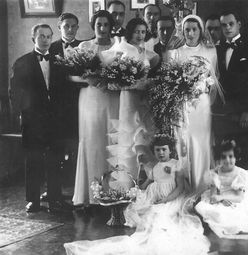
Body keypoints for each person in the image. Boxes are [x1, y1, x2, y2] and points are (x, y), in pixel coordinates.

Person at [64, 134, 210, 255]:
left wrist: (166, 199)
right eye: (157, 150)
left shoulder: (176, 164)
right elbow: (146, 184)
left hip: (171, 197)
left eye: (164, 150)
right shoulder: (155, 167)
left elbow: (180, 188)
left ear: (170, 150)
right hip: (155, 195)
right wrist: (137, 187)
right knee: (138, 208)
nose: (161, 153)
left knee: (161, 216)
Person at [9, 24, 69, 213]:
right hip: (33, 120)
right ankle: (33, 200)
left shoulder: (60, 61)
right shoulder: (22, 62)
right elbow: (15, 93)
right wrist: (21, 115)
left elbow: (64, 92)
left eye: (48, 36)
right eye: (41, 36)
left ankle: (55, 199)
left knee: (55, 159)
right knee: (33, 160)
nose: (45, 40)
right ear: (33, 38)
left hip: (55, 120)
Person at [72, 10, 120, 208]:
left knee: (111, 141)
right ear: (94, 26)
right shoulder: (84, 46)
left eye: (106, 25)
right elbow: (72, 75)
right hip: (91, 98)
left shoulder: (119, 47)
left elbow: (125, 73)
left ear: (111, 26)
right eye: (98, 24)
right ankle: (91, 195)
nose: (102, 28)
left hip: (112, 98)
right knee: (92, 142)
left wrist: (112, 80)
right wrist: (91, 79)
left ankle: (112, 192)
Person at [168, 14, 220, 192]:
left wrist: (204, 88)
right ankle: (185, 186)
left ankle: (202, 184)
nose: (190, 33)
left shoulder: (210, 51)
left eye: (194, 29)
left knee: (201, 141)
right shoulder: (176, 53)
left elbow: (214, 79)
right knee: (183, 141)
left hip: (202, 104)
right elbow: (170, 82)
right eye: (187, 30)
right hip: (183, 104)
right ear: (182, 32)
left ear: (200, 31)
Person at [213, 10, 248, 192]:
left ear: (239, 24)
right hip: (224, 112)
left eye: (230, 24)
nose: (227, 28)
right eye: (223, 25)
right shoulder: (217, 50)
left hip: (244, 112)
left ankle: (246, 197)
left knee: (244, 156)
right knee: (224, 155)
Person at [105, 18, 159, 180]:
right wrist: (131, 84)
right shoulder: (120, 49)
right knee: (129, 138)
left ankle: (148, 182)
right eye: (136, 31)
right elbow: (112, 80)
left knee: (146, 137)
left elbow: (153, 66)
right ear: (130, 32)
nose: (140, 35)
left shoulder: (148, 52)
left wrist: (147, 83)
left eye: (143, 32)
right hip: (129, 97)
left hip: (145, 99)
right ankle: (127, 182)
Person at [195, 140, 248, 239]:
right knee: (207, 209)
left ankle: (236, 227)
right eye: (224, 157)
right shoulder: (215, 173)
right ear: (219, 159)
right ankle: (224, 224)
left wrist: (222, 197)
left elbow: (239, 198)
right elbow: (213, 196)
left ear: (236, 157)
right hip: (221, 198)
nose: (227, 160)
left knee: (238, 213)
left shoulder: (240, 174)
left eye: (231, 156)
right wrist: (220, 199)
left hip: (237, 198)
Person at [44, 12, 82, 204]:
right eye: (66, 26)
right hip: (57, 111)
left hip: (79, 108)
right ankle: (54, 192)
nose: (70, 29)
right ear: (59, 27)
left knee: (78, 151)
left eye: (73, 26)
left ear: (77, 27)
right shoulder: (50, 49)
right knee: (55, 152)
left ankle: (79, 193)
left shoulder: (85, 47)